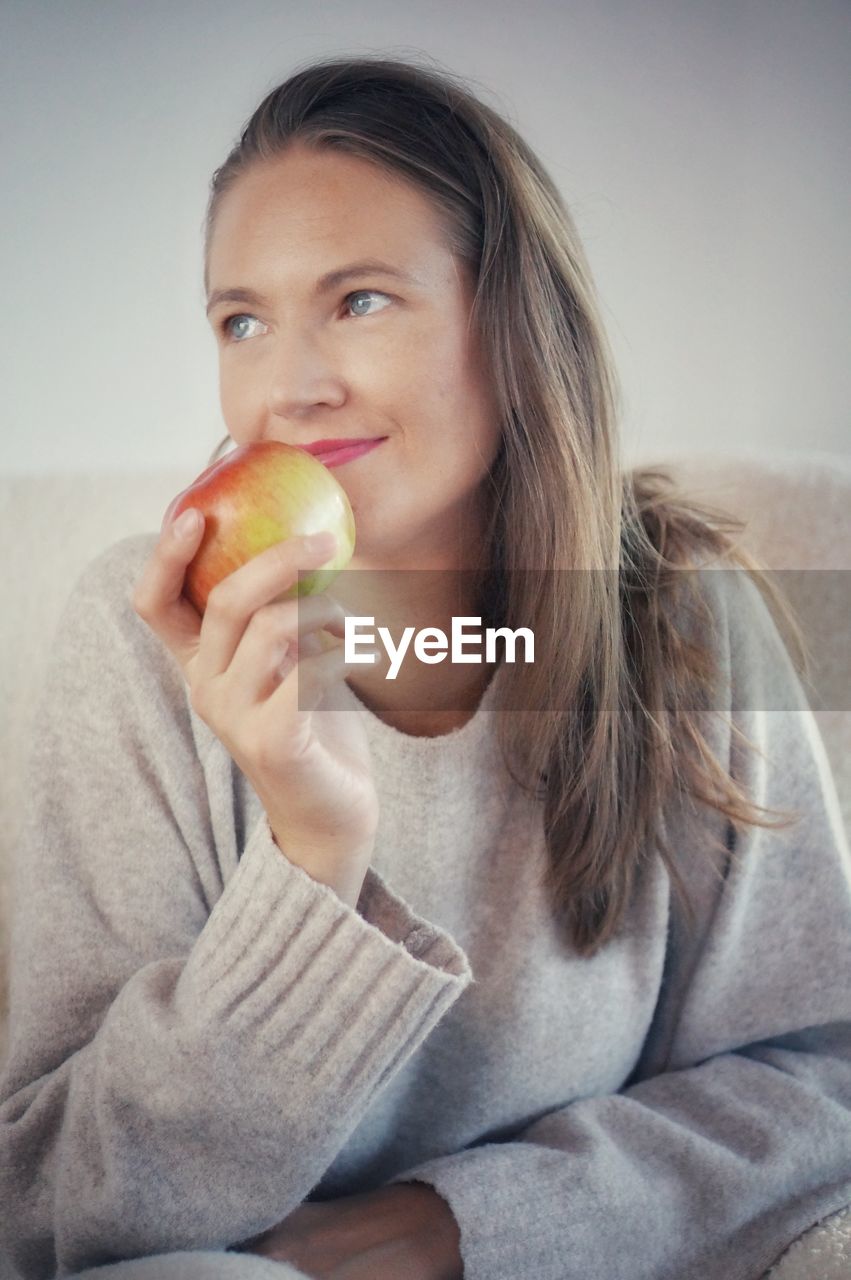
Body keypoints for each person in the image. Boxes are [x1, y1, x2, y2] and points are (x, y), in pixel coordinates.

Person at [1, 53, 849, 1280]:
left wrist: (467, 1224)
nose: (289, 387)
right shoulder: (140, 638)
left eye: (359, 300)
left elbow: (819, 1080)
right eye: (242, 320)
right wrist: (312, 854)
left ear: (511, 327)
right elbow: (52, 1208)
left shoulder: (680, 622)